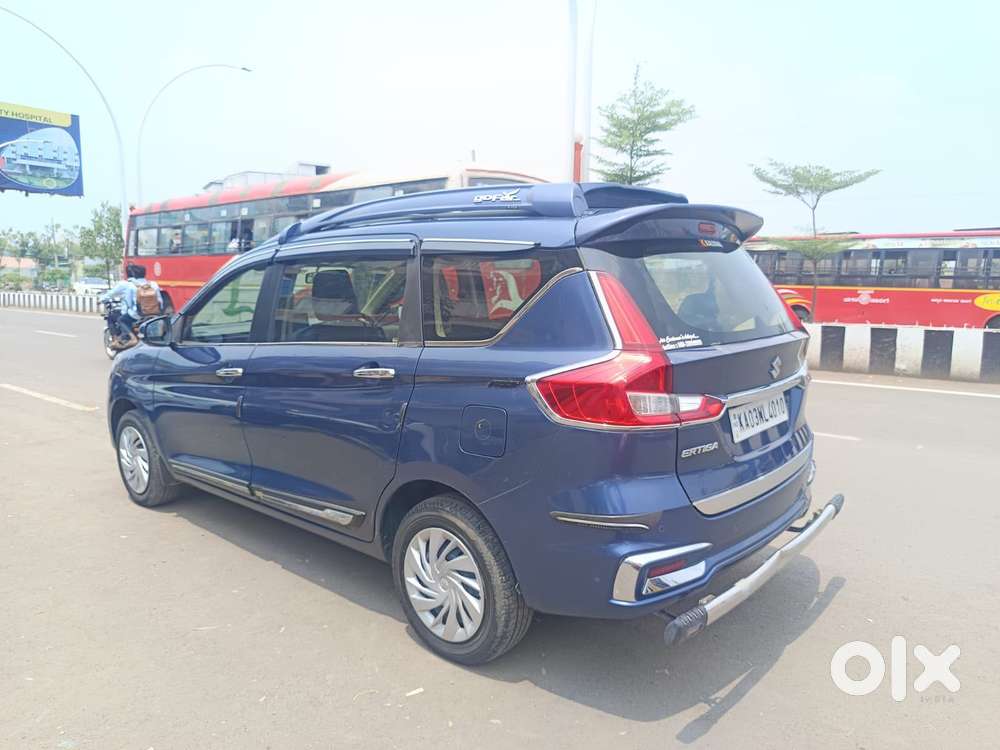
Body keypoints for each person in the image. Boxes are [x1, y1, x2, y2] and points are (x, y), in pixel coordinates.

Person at [99, 264, 163, 347]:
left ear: (133, 275)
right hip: (154, 313)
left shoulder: (131, 285)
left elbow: (128, 304)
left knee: (121, 319)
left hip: (137, 315)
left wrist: (124, 311)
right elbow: (160, 301)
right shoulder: (153, 284)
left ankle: (132, 338)